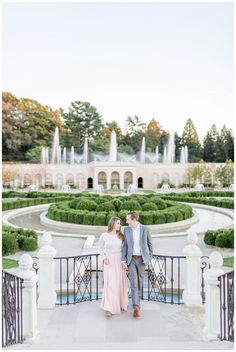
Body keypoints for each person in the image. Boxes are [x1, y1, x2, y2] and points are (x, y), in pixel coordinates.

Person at [121, 211, 153, 318]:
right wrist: (123, 260)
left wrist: (148, 258)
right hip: (131, 260)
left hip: (142, 260)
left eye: (128, 219)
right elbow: (124, 246)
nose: (126, 221)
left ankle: (138, 303)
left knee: (139, 281)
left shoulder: (145, 229)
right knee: (134, 282)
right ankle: (136, 307)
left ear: (134, 220)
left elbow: (150, 245)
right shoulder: (126, 230)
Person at [98, 216, 128, 317]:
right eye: (118, 223)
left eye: (120, 223)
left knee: (119, 283)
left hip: (119, 261)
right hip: (109, 262)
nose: (120, 225)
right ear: (113, 224)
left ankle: (120, 304)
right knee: (109, 284)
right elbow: (100, 248)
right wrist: (104, 258)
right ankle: (109, 308)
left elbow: (125, 250)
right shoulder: (104, 236)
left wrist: (124, 262)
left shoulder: (121, 236)